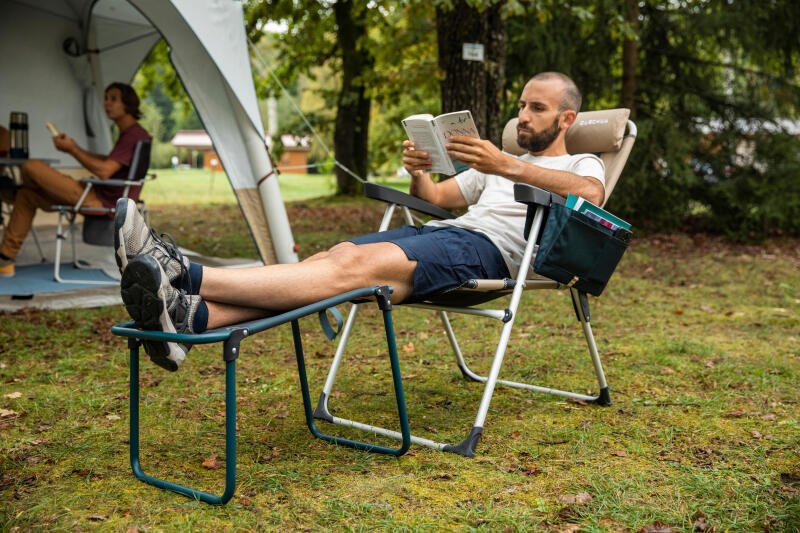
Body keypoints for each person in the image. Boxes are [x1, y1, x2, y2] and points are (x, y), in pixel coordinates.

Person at [114, 71, 606, 372]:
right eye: (521, 105)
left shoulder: (581, 165)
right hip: (446, 235)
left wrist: (507, 164)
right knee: (337, 260)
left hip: (490, 254)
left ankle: (181, 270)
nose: (523, 116)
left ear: (566, 119)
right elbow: (436, 198)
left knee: (349, 272)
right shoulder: (492, 164)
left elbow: (591, 196)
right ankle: (193, 318)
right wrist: (420, 172)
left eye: (536, 109)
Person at [0, 83, 151, 277]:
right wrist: (75, 147)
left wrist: (72, 150)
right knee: (26, 196)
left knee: (30, 166)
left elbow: (105, 171)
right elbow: (109, 162)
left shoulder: (133, 134)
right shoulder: (132, 133)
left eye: (113, 99)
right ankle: (5, 259)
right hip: (98, 193)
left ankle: (13, 191)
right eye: (105, 98)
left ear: (128, 104)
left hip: (99, 199)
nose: (106, 103)